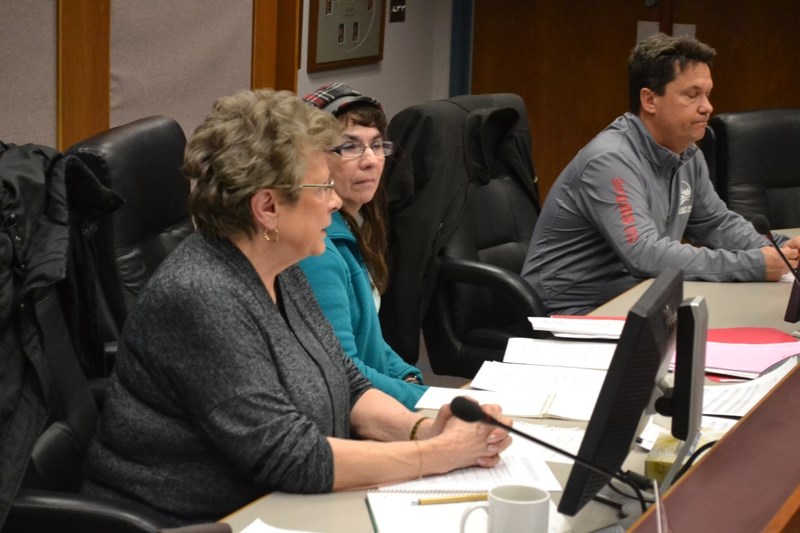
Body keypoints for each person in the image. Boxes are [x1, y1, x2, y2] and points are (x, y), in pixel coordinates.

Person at [80, 88, 511, 525]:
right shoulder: (202, 297)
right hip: (189, 520)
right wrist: (437, 454)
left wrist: (425, 428)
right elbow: (293, 458)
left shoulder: (281, 265)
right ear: (267, 206)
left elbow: (347, 381)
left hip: (278, 505)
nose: (336, 201)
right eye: (323, 186)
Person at [522, 33, 800, 316]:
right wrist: (753, 264)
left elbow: (715, 223)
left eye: (707, 94)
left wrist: (779, 249)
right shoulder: (611, 160)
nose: (707, 106)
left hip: (634, 301)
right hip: (570, 313)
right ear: (650, 100)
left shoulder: (687, 152)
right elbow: (644, 253)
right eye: (692, 95)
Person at [299, 82, 426, 410]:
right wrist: (430, 400)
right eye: (350, 147)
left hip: (375, 397)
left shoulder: (361, 223)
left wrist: (406, 375)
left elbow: (368, 336)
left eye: (376, 145)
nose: (371, 161)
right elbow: (344, 370)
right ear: (313, 158)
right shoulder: (318, 250)